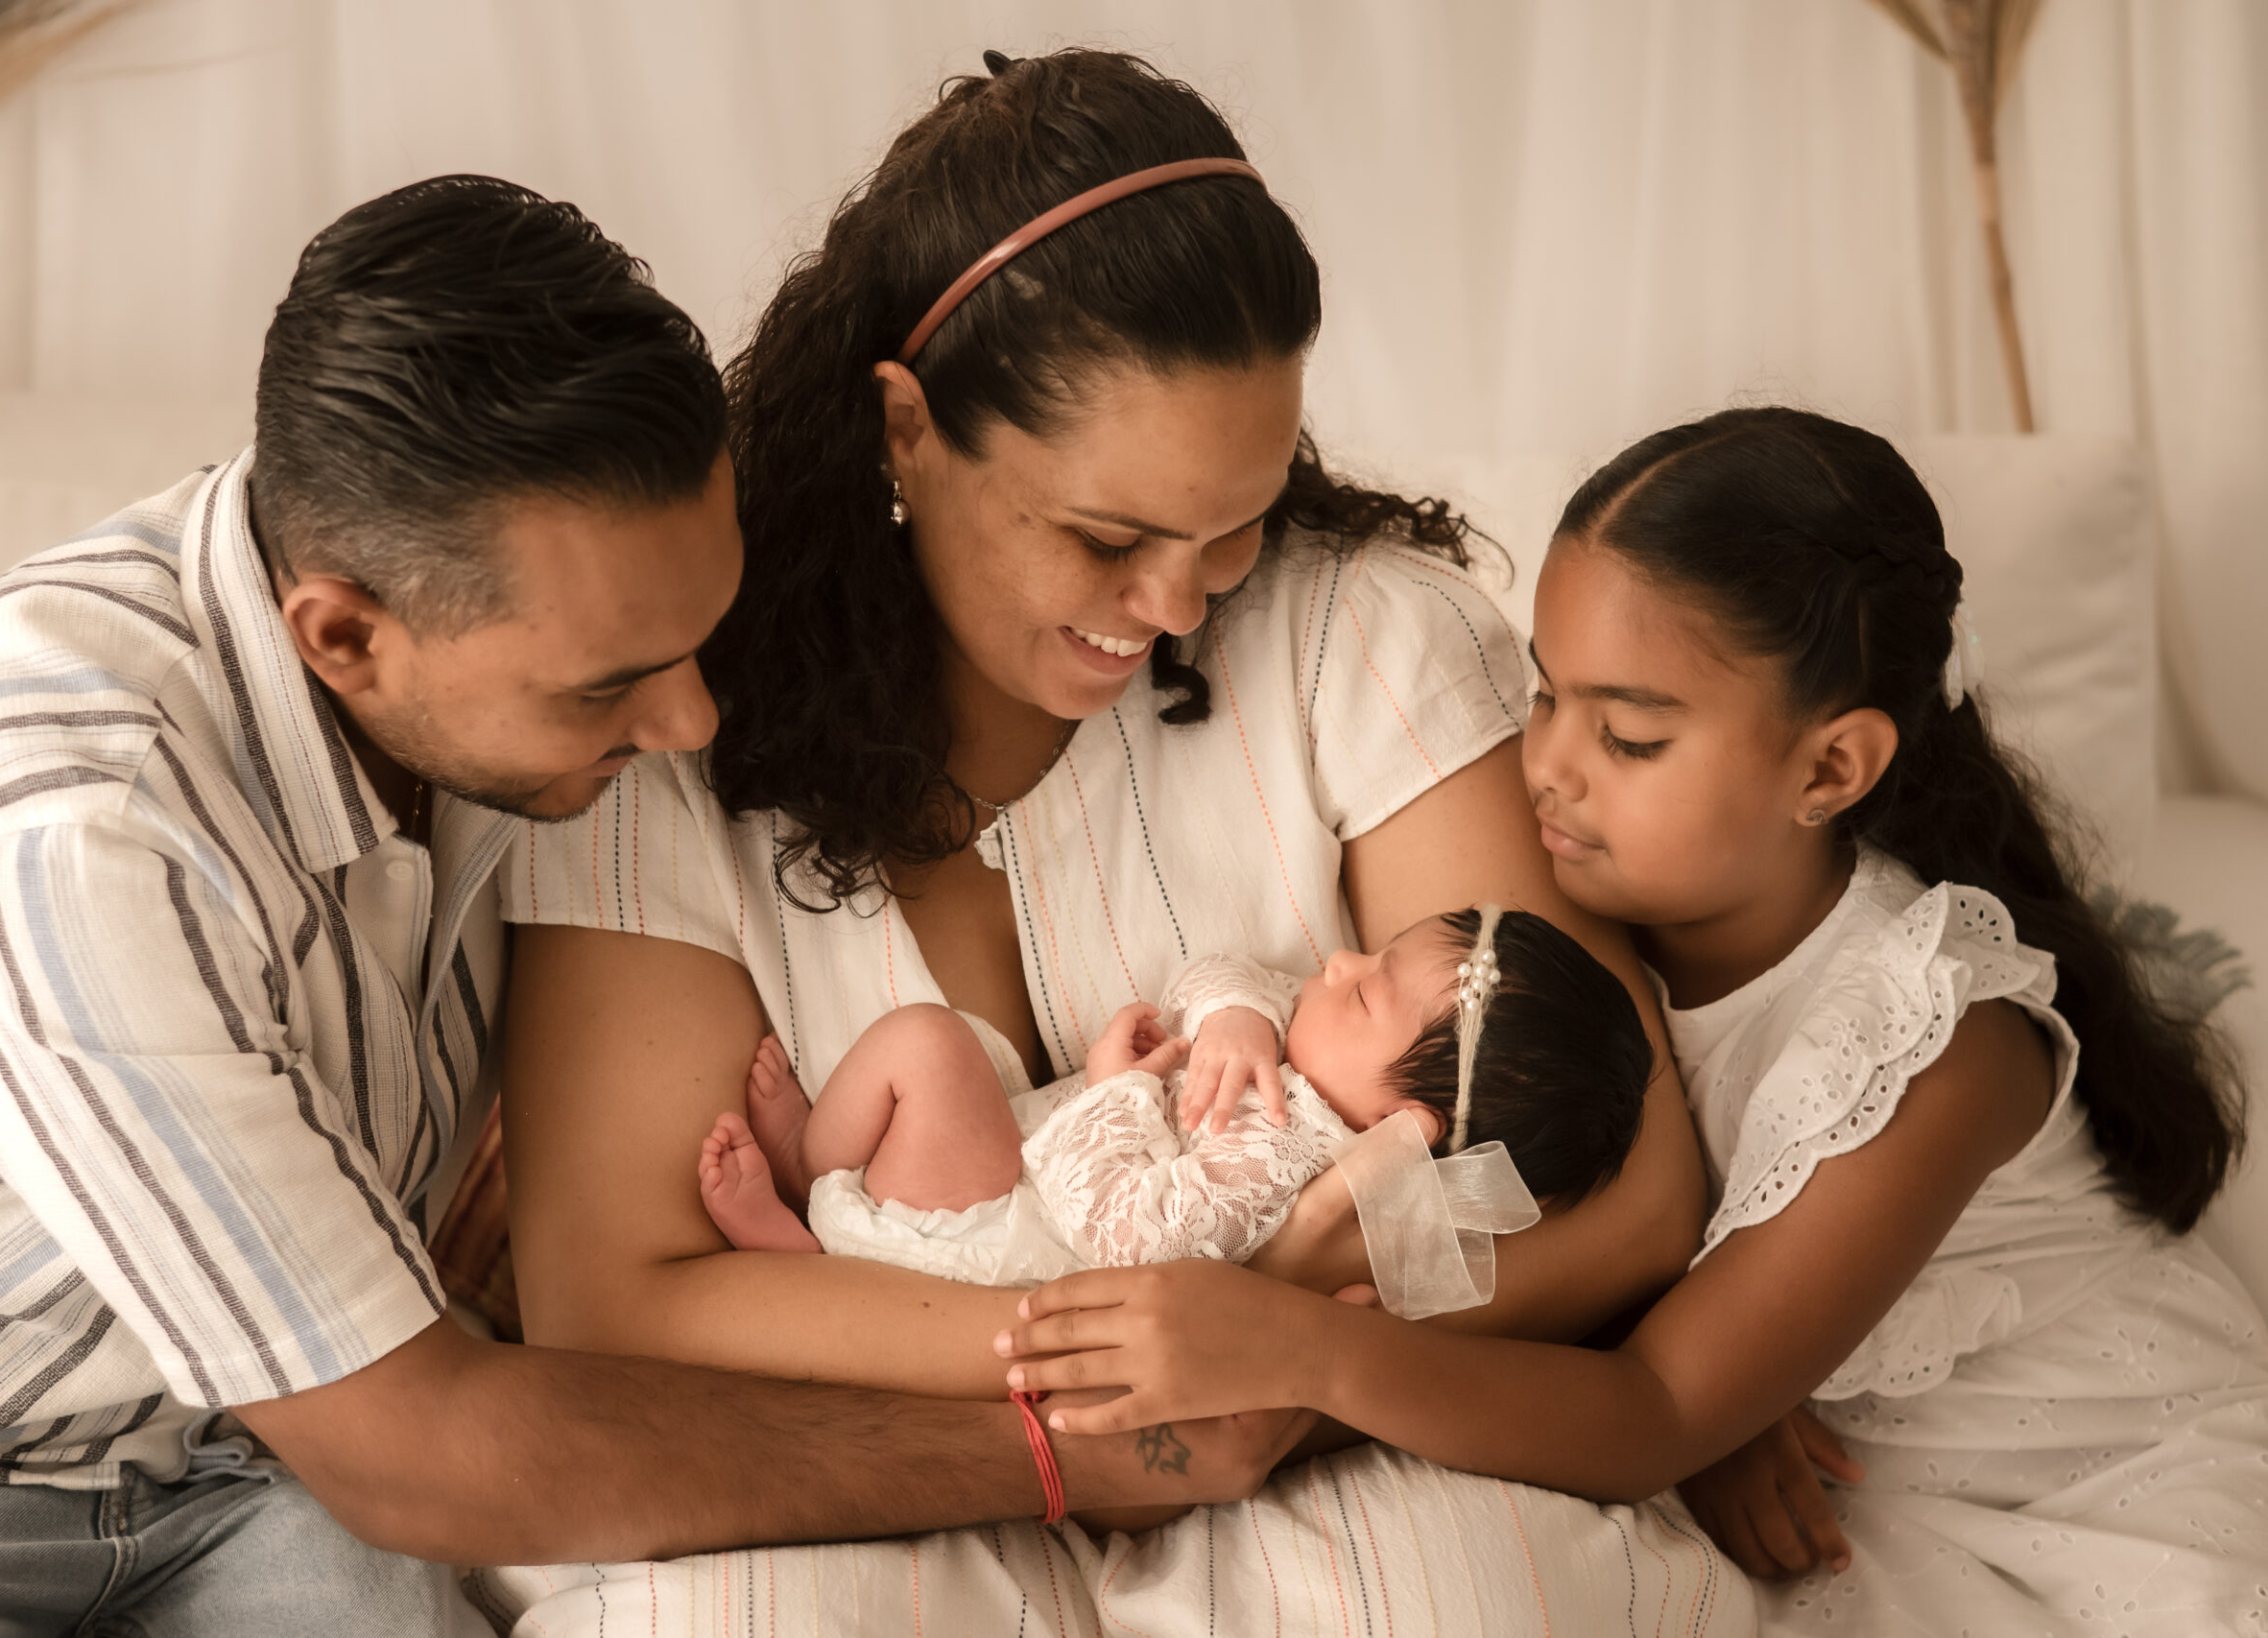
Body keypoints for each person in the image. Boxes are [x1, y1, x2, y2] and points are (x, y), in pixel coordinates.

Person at [0, 176, 1304, 1637]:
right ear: (343, 636)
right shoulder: (70, 839)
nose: (694, 723)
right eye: (610, 684)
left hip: (240, 1456)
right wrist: (1064, 1455)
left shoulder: (471, 643)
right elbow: (421, 1447)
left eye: (697, 640)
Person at [489, 48, 1736, 1635]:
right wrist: (1131, 1358)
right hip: (874, 1452)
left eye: (1235, 524)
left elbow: (1623, 1182)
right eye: (1105, 537)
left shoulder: (1364, 638)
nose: (1173, 606)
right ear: (904, 430)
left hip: (1320, 1433)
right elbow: (619, 1292)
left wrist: (1283, 1350)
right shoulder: (663, 729)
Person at [1000, 408, 2268, 1636]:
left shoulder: (1936, 1041)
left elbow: (1657, 1400)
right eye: (1545, 695)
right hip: (1815, 1455)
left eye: (1629, 735)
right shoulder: (1584, 897)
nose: (1547, 762)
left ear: (1830, 768)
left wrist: (1312, 1350)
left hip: (2080, 1491)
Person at [700, 909, 1650, 1295]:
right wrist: (1237, 1014)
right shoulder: (1312, 1052)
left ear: (1408, 1128)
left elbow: (1128, 1238)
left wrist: (1118, 1091)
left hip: (1013, 1244)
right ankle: (823, 1184)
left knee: (930, 1044)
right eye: (1373, 950)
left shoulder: (1289, 1157)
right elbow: (1224, 971)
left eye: (1365, 990)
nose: (1337, 961)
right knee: (948, 1049)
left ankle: (812, 1211)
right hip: (1023, 1169)